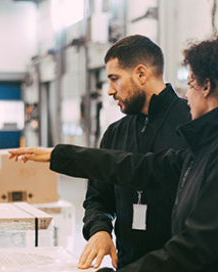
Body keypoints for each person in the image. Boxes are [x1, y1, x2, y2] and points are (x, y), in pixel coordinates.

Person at [9, 28, 218, 271]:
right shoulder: (213, 144)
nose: (187, 95)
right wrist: (60, 155)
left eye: (191, 84)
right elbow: (139, 168)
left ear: (206, 86)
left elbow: (195, 247)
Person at [79, 35, 191, 269]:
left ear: (141, 74)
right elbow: (98, 198)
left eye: (114, 79)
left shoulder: (192, 125)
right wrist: (99, 230)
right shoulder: (115, 133)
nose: (110, 91)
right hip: (128, 264)